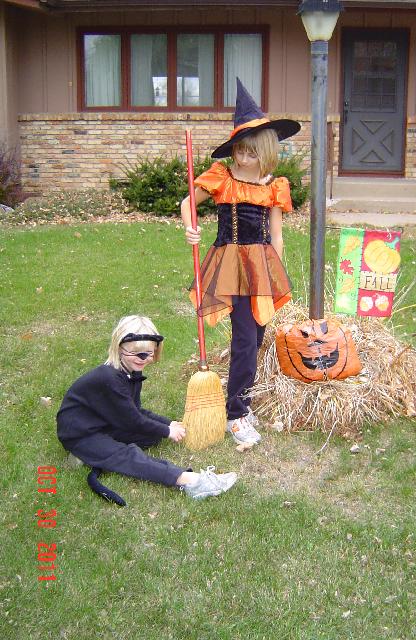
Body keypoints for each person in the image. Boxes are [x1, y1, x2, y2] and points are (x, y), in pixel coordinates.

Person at [181, 78, 300, 446]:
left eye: (251, 153)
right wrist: (190, 229)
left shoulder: (274, 185)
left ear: (266, 151)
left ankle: (242, 401)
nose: (243, 159)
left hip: (261, 268)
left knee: (257, 335)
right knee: (246, 340)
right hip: (230, 266)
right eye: (239, 151)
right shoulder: (223, 177)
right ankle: (235, 413)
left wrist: (275, 274)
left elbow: (276, 236)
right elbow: (188, 203)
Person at [57, 315, 237, 503]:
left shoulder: (131, 371)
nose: (143, 359)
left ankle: (94, 456)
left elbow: (136, 411)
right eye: (136, 353)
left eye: (149, 353)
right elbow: (133, 421)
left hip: (106, 422)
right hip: (80, 434)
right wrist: (167, 431)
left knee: (151, 435)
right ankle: (191, 481)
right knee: (127, 455)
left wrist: (168, 423)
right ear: (119, 348)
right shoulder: (109, 378)